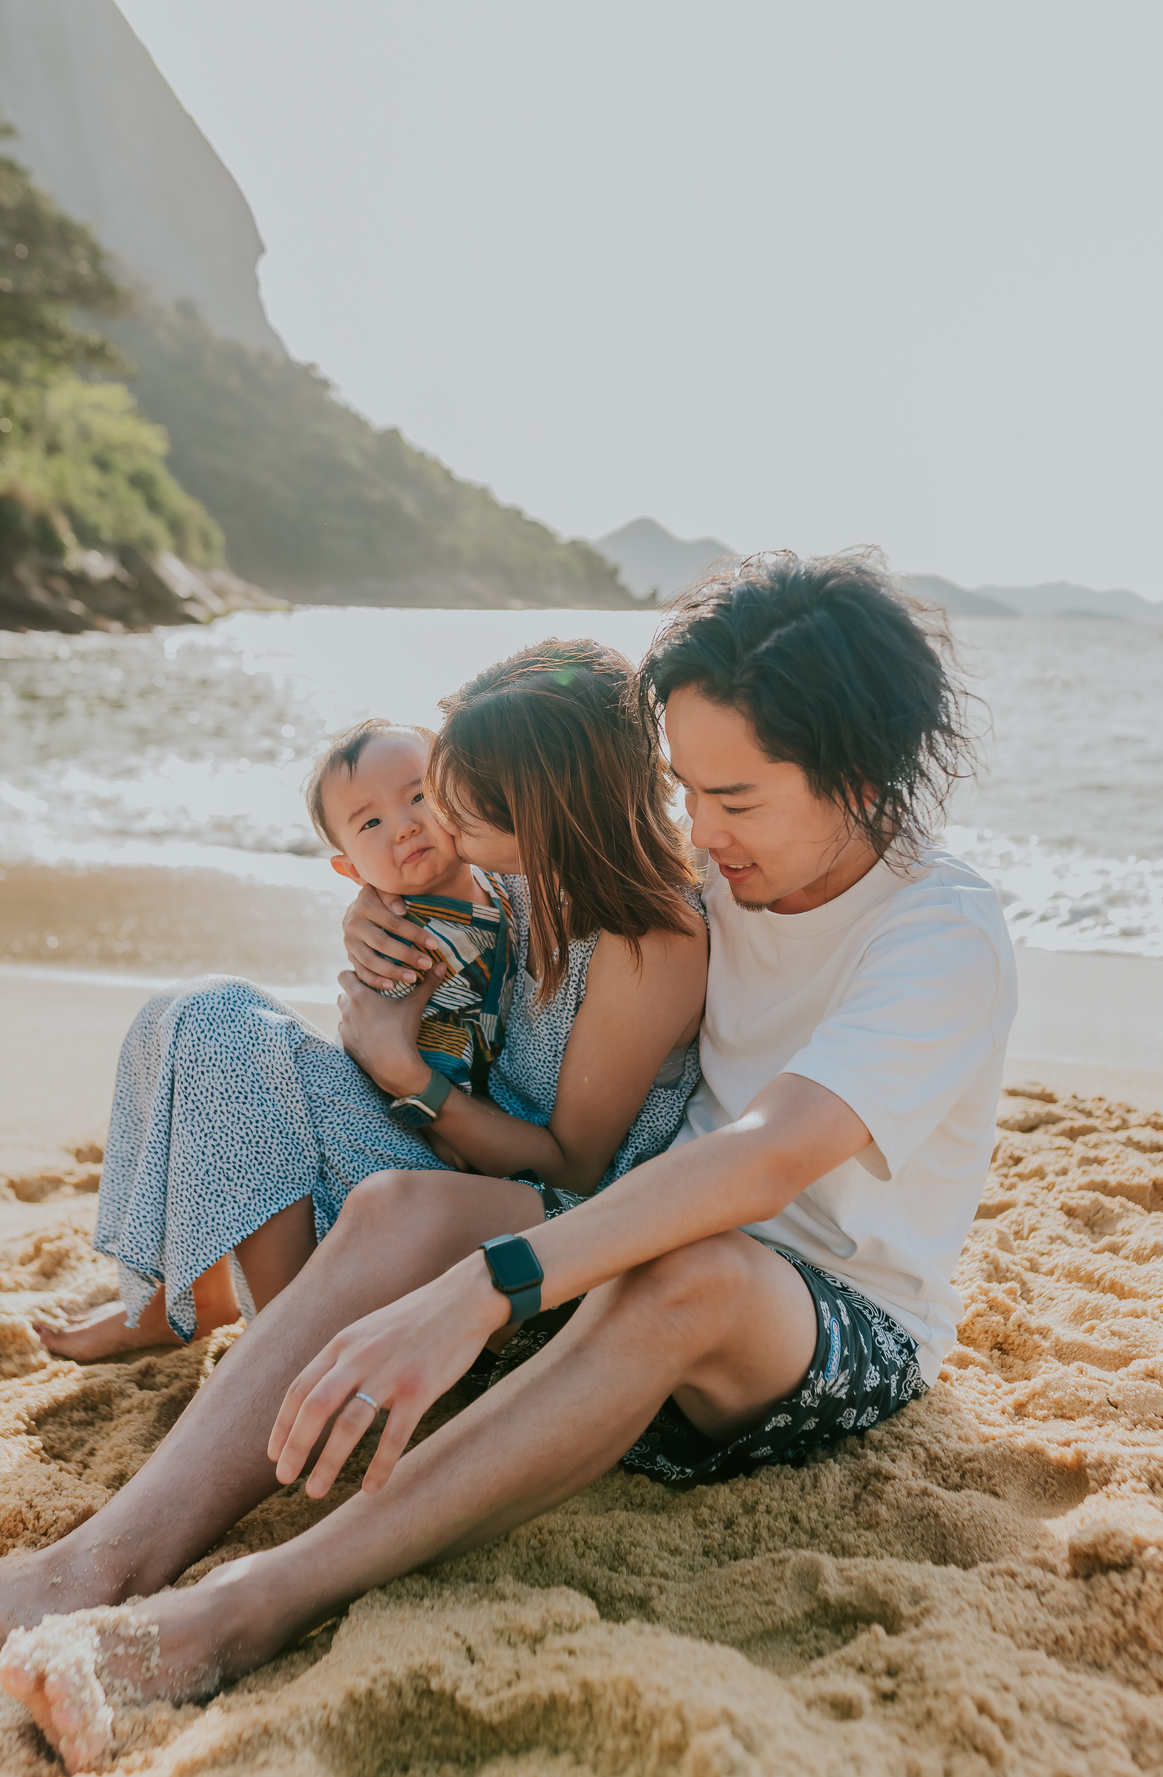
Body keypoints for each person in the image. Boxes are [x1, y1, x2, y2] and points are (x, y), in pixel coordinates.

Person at [0, 551, 1017, 1777]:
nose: (702, 832)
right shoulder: (720, 872)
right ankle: (95, 1561)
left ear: (857, 774)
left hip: (816, 1320)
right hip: (622, 1263)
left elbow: (766, 1160)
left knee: (689, 1267)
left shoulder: (938, 934)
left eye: (736, 801)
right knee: (401, 1205)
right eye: (687, 789)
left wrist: (491, 1282)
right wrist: (389, 909)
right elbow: (532, 858)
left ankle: (243, 1608)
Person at [34, 642, 706, 1364]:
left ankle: (283, 1353)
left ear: (540, 802)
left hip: (533, 1228)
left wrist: (402, 1072)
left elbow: (573, 1170)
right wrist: (371, 907)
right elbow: (433, 895)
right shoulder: (526, 877)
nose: (438, 811)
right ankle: (200, 1295)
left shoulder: (647, 940)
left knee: (225, 1028)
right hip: (448, 1153)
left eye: (457, 793)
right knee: (198, 1013)